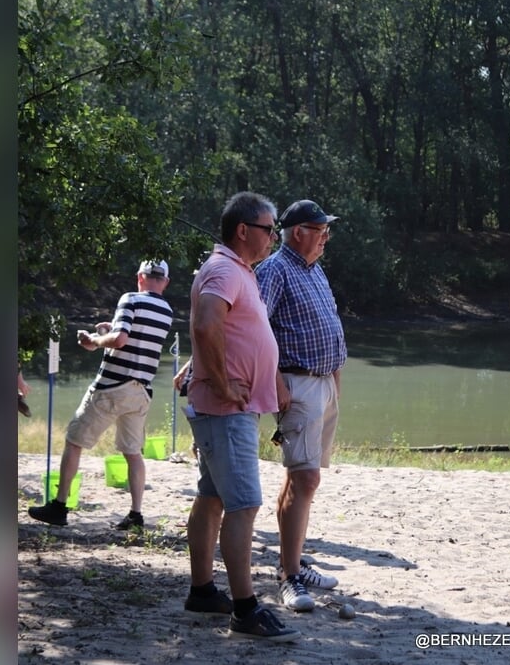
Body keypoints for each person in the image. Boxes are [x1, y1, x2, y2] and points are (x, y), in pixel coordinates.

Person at [182, 192, 299, 642]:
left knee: (212, 498)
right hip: (226, 409)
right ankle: (245, 610)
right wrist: (224, 382)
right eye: (270, 229)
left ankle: (202, 592)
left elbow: (235, 331)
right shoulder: (223, 269)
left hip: (229, 409)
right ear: (244, 230)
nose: (274, 236)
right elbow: (205, 325)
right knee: (244, 504)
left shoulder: (238, 271)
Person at [28, 260, 173, 530]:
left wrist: (94, 341)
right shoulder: (166, 310)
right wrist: (112, 327)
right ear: (164, 281)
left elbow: (120, 341)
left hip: (111, 387)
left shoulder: (130, 298)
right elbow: (135, 338)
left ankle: (59, 506)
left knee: (74, 441)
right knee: (132, 452)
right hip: (141, 390)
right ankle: (136, 513)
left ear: (139, 277)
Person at [255, 199, 347, 612]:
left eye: (328, 230)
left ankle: (293, 561)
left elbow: (330, 325)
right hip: (297, 383)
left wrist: (336, 384)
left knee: (302, 479)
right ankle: (289, 576)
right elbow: (255, 330)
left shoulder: (314, 270)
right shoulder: (274, 270)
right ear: (298, 233)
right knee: (306, 478)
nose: (326, 237)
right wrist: (275, 382)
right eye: (320, 229)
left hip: (324, 384)